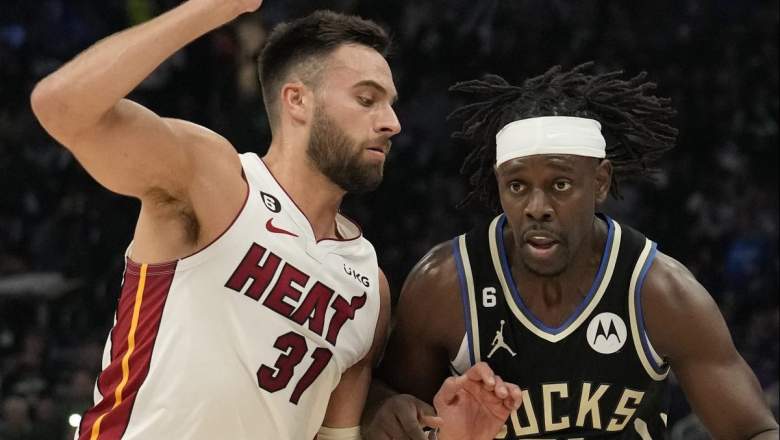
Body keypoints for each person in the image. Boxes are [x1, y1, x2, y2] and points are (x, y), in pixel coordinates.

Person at [30, 0, 521, 439]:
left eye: (391, 104)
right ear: (297, 100)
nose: (392, 122)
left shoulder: (370, 287)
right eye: (368, 99)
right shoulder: (215, 180)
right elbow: (61, 106)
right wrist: (210, 8)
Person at [365, 63, 779, 439]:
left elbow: (754, 431)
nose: (537, 207)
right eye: (517, 186)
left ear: (599, 182)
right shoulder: (446, 286)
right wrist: (386, 410)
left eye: (560, 185)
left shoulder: (659, 292)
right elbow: (383, 404)